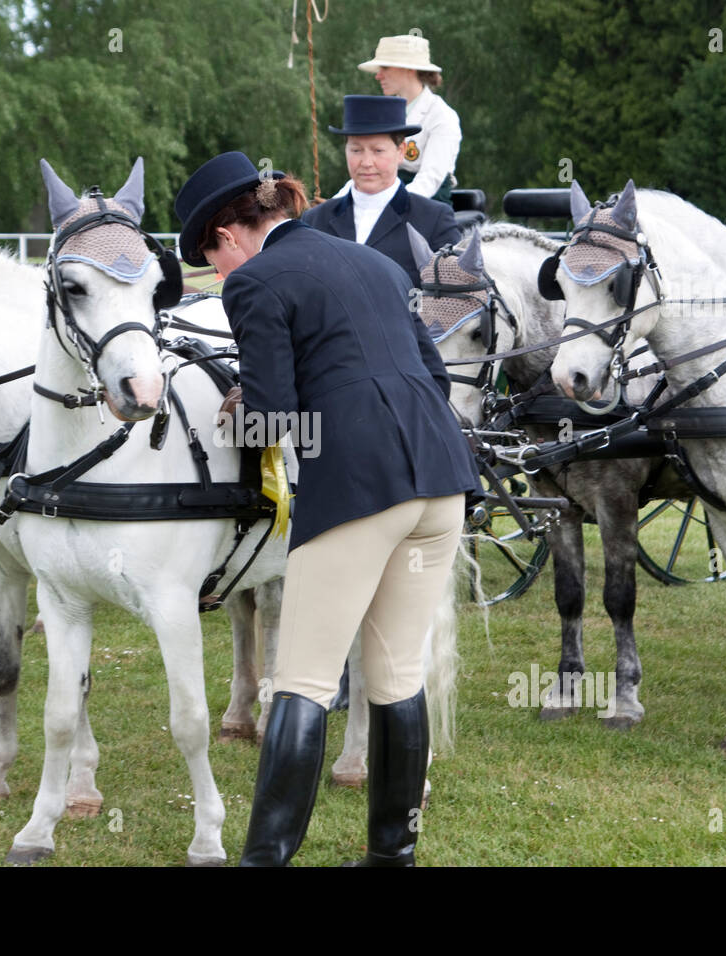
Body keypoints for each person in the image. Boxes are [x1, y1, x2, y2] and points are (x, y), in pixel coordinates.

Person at [175, 152, 479, 866]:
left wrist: (240, 409)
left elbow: (275, 418)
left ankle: (263, 860)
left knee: (302, 682)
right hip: (439, 481)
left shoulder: (253, 281)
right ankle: (391, 856)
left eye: (210, 259)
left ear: (228, 234)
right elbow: (433, 377)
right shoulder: (375, 264)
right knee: (398, 675)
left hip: (358, 490)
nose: (218, 275)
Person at [302, 95, 459, 287]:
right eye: (356, 151)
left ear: (400, 151)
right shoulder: (315, 221)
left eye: (378, 151)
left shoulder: (434, 220)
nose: (367, 163)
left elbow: (453, 300)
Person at [358, 34, 460, 204]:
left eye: (385, 68)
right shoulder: (386, 112)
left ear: (409, 69)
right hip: (386, 197)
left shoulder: (442, 116)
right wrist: (337, 202)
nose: (378, 76)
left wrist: (387, 204)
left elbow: (430, 179)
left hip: (427, 206)